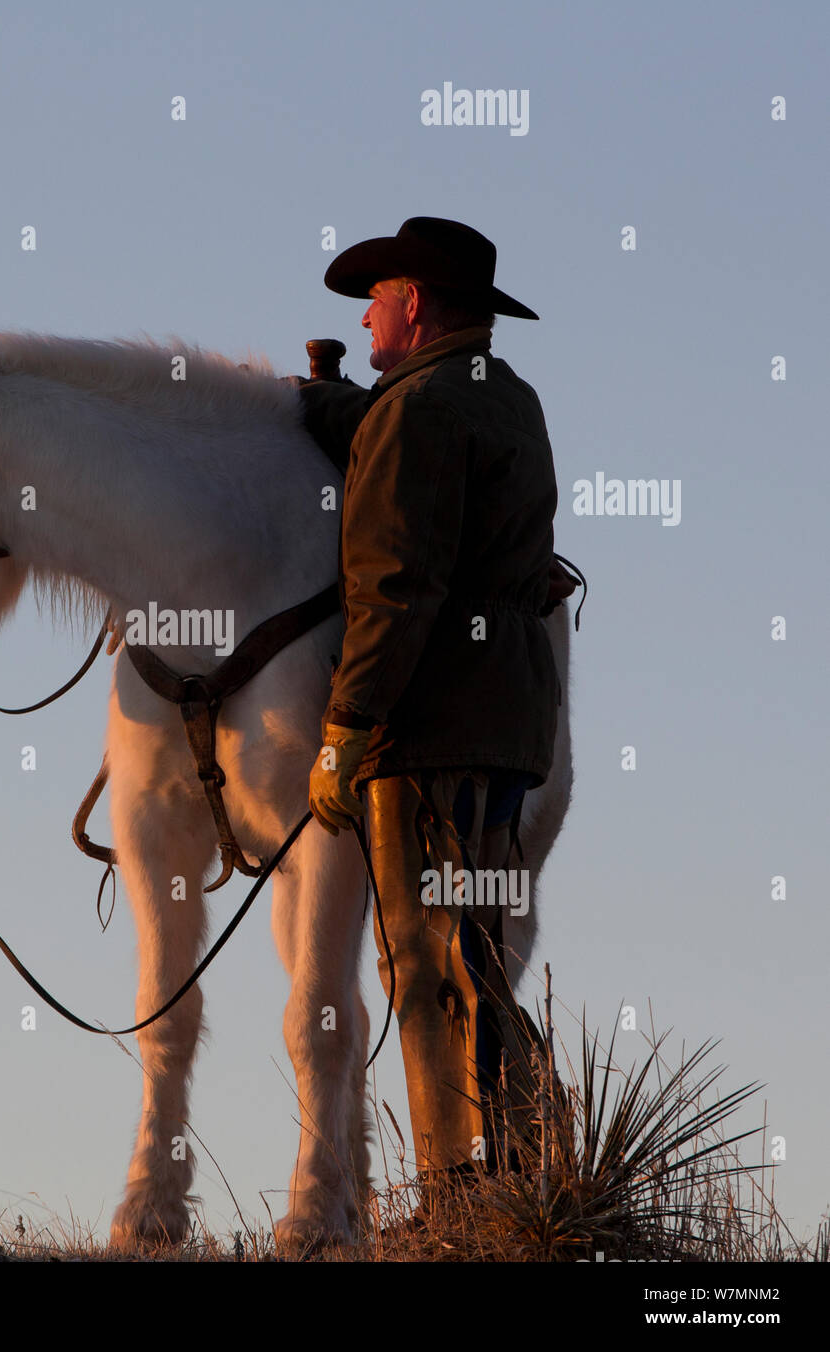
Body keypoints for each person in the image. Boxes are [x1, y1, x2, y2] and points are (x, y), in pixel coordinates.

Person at [302, 217, 568, 1218]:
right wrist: (338, 413)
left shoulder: (417, 412)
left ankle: (460, 1197)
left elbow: (394, 584)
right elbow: (406, 438)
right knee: (480, 948)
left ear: (416, 303)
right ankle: (522, 1175)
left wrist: (345, 726)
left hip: (433, 721)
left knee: (428, 959)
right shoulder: (502, 395)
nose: (365, 310)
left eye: (379, 292)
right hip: (505, 713)